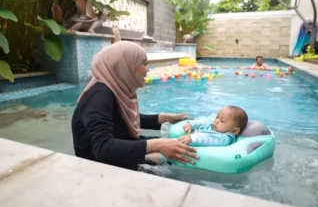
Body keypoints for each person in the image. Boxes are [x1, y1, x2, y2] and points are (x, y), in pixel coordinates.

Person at [71, 41, 198, 171]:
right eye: (143, 63)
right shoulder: (100, 96)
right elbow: (102, 148)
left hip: (117, 157)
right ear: (124, 65)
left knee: (177, 150)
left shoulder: (114, 88)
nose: (147, 69)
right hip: (100, 169)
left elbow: (122, 120)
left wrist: (164, 118)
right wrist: (157, 145)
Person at [177, 106, 248, 146]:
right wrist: (190, 124)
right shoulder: (213, 126)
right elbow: (201, 123)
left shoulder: (225, 139)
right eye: (217, 117)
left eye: (222, 121)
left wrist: (191, 138)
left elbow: (208, 139)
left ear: (234, 131)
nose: (216, 121)